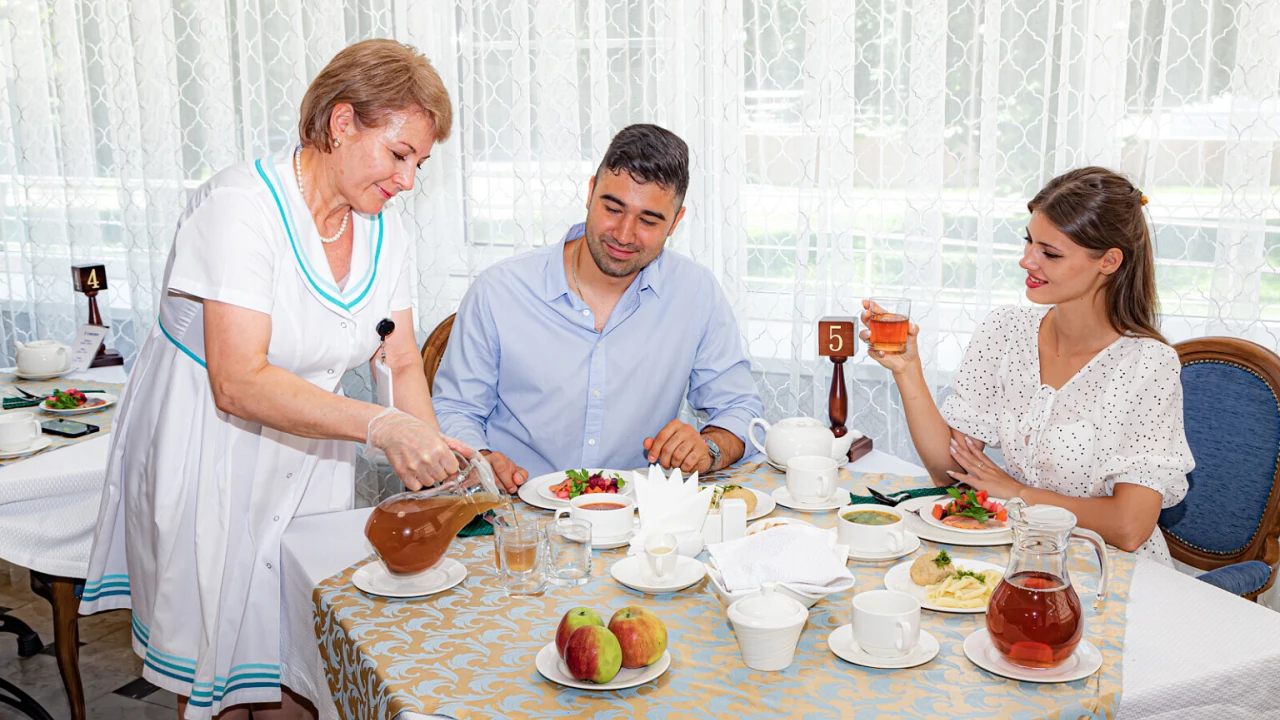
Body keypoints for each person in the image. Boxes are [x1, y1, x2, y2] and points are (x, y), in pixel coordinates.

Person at [79, 40, 491, 720]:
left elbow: (400, 361)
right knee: (221, 683)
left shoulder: (386, 235)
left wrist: (440, 458)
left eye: (420, 162)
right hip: (212, 451)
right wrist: (384, 426)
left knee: (298, 669)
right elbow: (237, 382)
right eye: (398, 154)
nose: (408, 179)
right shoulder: (241, 207)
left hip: (311, 457)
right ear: (341, 122)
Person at [863, 167, 1193, 563]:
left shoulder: (1148, 364)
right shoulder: (1004, 331)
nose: (1026, 261)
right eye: (1029, 242)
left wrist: (1017, 492)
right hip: (1020, 557)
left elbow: (1129, 527)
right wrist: (907, 371)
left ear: (1108, 261)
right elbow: (951, 475)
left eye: (1049, 253)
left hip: (1112, 570)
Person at [432, 124, 764, 486]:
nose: (624, 234)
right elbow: (455, 409)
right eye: (613, 208)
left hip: (639, 520)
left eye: (648, 220)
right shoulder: (499, 290)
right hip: (517, 515)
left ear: (675, 222)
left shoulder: (696, 293)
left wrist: (709, 447)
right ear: (590, 192)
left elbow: (740, 409)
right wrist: (481, 460)